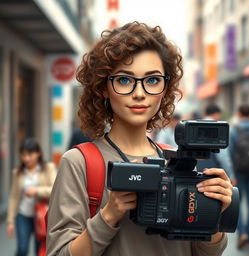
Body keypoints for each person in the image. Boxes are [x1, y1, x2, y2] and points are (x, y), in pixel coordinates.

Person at [46, 21, 233, 256]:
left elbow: (200, 252)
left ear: (166, 88)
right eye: (124, 80)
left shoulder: (175, 162)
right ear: (104, 87)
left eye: (153, 80)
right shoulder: (80, 163)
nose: (139, 93)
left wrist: (215, 215)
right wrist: (109, 215)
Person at [6, 138, 57, 256]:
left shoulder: (48, 168)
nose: (26, 158)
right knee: (22, 249)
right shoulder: (17, 172)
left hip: (41, 216)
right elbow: (13, 197)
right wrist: (10, 221)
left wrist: (36, 191)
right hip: (23, 215)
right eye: (23, 155)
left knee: (39, 250)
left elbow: (55, 189)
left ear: (38, 153)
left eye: (30, 154)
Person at [229, 104, 249, 249]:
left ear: (239, 113)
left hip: (239, 170)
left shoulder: (234, 130)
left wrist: (231, 173)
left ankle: (242, 233)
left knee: (238, 202)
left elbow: (230, 152)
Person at [196, 104, 236, 185]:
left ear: (205, 114)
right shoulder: (218, 128)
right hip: (214, 172)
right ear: (216, 114)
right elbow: (223, 157)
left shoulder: (195, 126)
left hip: (196, 171)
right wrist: (231, 176)